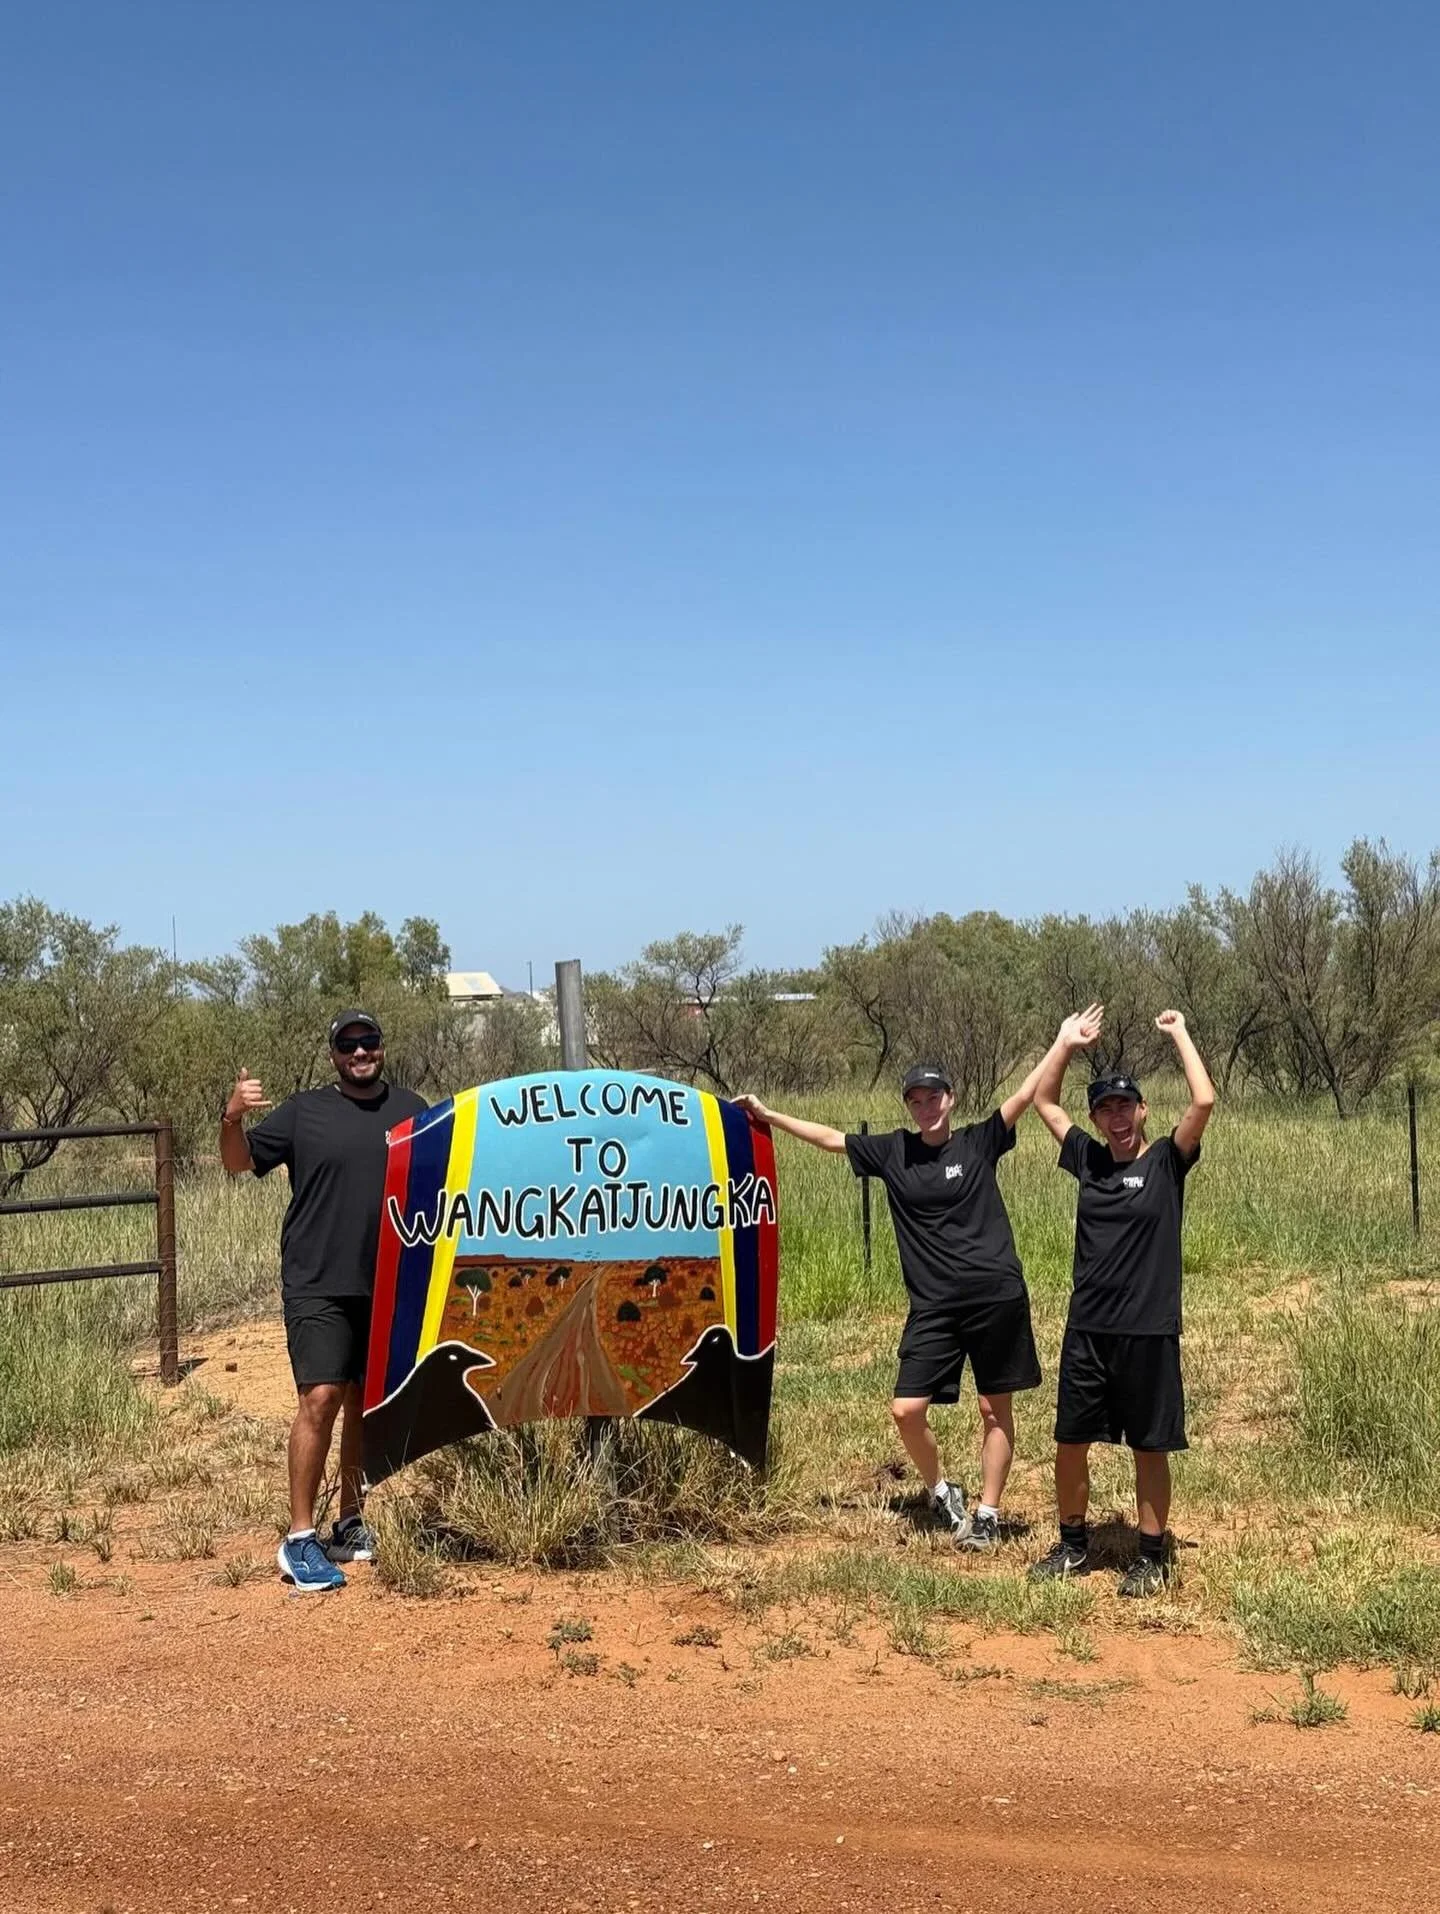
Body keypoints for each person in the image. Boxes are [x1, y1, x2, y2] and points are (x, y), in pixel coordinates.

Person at [735, 1011, 1099, 1550]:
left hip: (996, 1295)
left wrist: (1061, 1043)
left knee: (994, 1408)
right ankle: (942, 1490)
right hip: (933, 1307)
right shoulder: (894, 1151)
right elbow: (832, 1140)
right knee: (906, 1409)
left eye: (933, 1098)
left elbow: (1024, 1096)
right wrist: (770, 1115)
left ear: (950, 1099)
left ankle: (989, 1512)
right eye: (915, 1101)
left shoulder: (978, 1143)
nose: (925, 1108)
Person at [220, 1010, 427, 1592]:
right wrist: (231, 1117)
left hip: (388, 1282)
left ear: (382, 1048)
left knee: (363, 1403)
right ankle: (299, 1539)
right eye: (348, 1044)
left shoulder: (413, 1110)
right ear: (333, 1054)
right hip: (316, 1281)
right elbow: (238, 1162)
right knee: (321, 1396)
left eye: (369, 1042)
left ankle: (350, 1521)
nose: (360, 1052)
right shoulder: (304, 1112)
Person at [1028, 1007, 1216, 1596]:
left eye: (1125, 1106)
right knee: (1070, 1440)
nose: (1117, 1118)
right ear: (1097, 1118)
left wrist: (1180, 1033)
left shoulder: (1165, 1160)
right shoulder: (1088, 1159)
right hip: (1089, 1328)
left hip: (1148, 1330)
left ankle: (1153, 1554)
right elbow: (1044, 1102)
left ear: (1142, 1111)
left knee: (1149, 1444)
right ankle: (1073, 1546)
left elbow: (1204, 1101)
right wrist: (1063, 1043)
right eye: (1105, 1109)